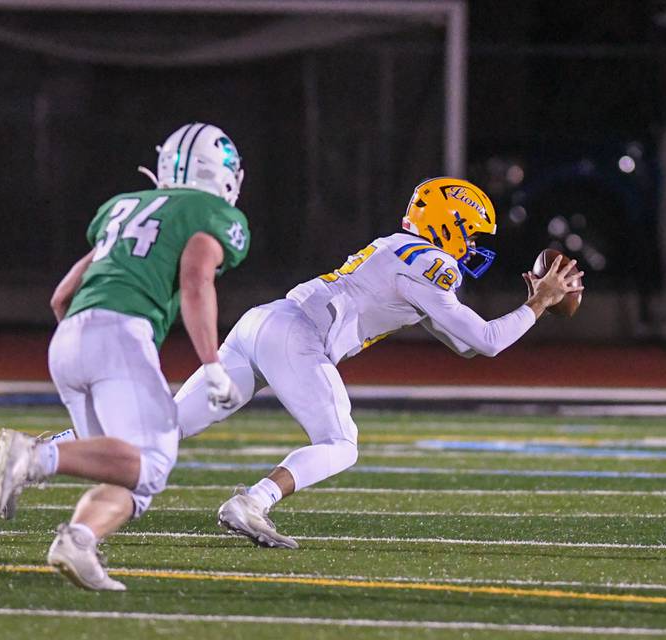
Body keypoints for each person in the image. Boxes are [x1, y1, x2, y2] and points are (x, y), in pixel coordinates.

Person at [174, 176, 583, 549]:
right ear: (448, 224)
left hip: (262, 322)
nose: (473, 245)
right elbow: (488, 341)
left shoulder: (404, 253)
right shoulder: (431, 264)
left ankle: (108, 490)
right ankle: (253, 502)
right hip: (298, 336)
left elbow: (468, 347)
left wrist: (537, 306)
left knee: (167, 427)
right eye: (471, 232)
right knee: (340, 444)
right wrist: (539, 301)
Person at [0, 122, 250, 589]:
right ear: (223, 174)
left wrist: (83, 344)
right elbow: (195, 281)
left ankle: (78, 541)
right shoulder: (210, 213)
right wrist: (211, 364)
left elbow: (61, 295)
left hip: (69, 339)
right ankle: (36, 457)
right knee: (151, 460)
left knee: (132, 478)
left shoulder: (124, 206)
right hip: (119, 334)